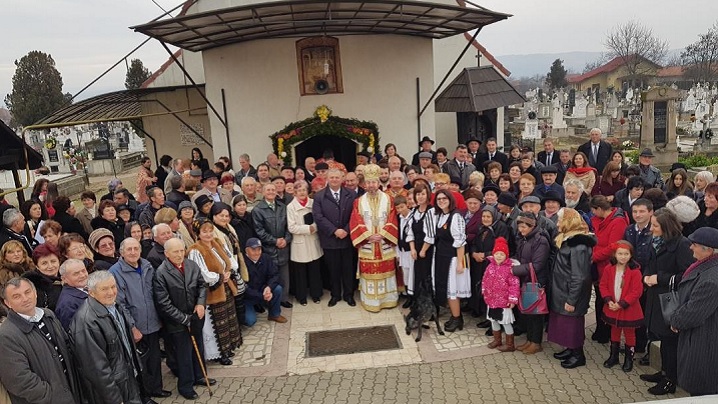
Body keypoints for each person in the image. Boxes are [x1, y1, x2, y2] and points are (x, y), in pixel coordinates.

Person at [0, 277, 83, 404]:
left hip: (71, 391)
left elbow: (67, 347)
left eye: (27, 292)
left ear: (35, 293)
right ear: (8, 303)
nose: (25, 298)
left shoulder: (48, 314)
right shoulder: (6, 335)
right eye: (16, 296)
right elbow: (19, 380)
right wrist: (53, 396)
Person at [640, 208, 694, 395]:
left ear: (666, 226)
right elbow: (649, 264)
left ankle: (671, 380)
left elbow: (686, 276)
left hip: (671, 300)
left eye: (655, 225)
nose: (651, 228)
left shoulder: (682, 245)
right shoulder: (656, 241)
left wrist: (660, 278)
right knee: (662, 339)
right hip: (656, 297)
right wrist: (647, 276)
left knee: (670, 342)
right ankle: (664, 372)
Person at [68, 270, 144, 404]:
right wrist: (115, 399)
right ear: (91, 292)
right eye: (104, 289)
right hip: (114, 389)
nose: (111, 292)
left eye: (113, 286)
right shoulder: (86, 322)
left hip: (127, 379)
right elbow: (96, 369)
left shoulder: (115, 306)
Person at [154, 238, 214, 400]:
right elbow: (163, 303)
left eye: (182, 250)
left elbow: (202, 285)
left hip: (195, 316)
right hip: (177, 323)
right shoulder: (161, 273)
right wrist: (185, 319)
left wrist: (201, 304)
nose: (180, 254)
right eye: (175, 251)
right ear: (167, 254)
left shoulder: (191, 265)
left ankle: (200, 376)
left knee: (198, 347)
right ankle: (186, 386)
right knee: (184, 354)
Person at [109, 237, 169, 399]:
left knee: (155, 359)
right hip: (136, 326)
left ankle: (156, 389)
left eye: (136, 248)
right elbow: (120, 304)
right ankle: (145, 395)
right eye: (129, 249)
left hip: (153, 323)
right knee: (140, 363)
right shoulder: (115, 272)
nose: (133, 252)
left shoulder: (147, 265)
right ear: (121, 253)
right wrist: (132, 327)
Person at [670, 227, 718, 396]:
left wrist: (676, 321)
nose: (690, 247)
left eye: (695, 244)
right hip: (702, 337)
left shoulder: (711, 279)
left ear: (709, 250)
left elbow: (694, 312)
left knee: (702, 391)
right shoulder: (705, 267)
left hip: (705, 342)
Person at [187, 219, 242, 366]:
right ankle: (219, 353)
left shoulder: (217, 242)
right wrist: (219, 277)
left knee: (228, 318)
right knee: (217, 322)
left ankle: (228, 347)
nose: (208, 234)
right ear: (198, 233)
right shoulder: (195, 250)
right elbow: (201, 273)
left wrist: (229, 271)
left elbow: (230, 259)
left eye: (210, 230)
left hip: (225, 287)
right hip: (211, 291)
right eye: (204, 231)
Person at [548, 208, 596, 369]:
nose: (557, 224)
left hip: (570, 292)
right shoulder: (568, 239)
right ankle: (570, 349)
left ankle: (578, 355)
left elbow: (580, 276)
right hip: (562, 289)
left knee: (573, 326)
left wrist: (572, 299)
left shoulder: (579, 245)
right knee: (565, 324)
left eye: (560, 221)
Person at [350, 164, 400, 312]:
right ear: (364, 184)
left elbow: (393, 218)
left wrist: (383, 234)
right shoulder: (358, 201)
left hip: (384, 242)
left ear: (379, 183)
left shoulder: (389, 199)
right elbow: (355, 220)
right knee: (369, 272)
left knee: (387, 271)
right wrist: (368, 236)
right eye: (368, 182)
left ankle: (388, 300)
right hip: (368, 243)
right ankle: (371, 302)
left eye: (374, 182)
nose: (371, 185)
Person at [598, 240, 645, 374]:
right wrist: (608, 300)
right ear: (615, 254)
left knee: (629, 333)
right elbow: (603, 285)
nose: (623, 257)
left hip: (628, 308)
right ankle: (614, 356)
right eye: (620, 254)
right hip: (612, 306)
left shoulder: (635, 271)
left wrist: (621, 304)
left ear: (631, 255)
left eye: (626, 254)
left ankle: (629, 359)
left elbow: (637, 291)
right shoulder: (609, 268)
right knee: (615, 330)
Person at [313, 168, 357, 307]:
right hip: (330, 239)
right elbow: (318, 217)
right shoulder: (319, 196)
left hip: (347, 238)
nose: (334, 180)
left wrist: (346, 230)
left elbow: (356, 215)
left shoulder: (351, 194)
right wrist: (334, 230)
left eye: (337, 177)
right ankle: (335, 295)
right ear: (327, 178)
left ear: (342, 179)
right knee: (333, 269)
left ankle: (349, 295)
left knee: (348, 269)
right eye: (331, 177)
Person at [590, 195, 630, 344]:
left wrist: (594, 256)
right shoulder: (602, 220)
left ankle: (605, 332)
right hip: (599, 266)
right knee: (599, 300)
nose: (593, 214)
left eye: (594, 211)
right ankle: (600, 330)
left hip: (608, 266)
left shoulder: (617, 222)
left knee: (606, 299)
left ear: (599, 209)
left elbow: (613, 247)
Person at [511, 212, 550, 354]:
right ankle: (529, 340)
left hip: (536, 281)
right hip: (526, 279)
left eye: (523, 227)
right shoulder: (524, 238)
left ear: (532, 226)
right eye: (519, 226)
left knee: (536, 314)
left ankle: (536, 342)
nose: (521, 230)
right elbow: (520, 256)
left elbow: (537, 265)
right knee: (528, 312)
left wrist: (513, 270)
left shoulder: (541, 240)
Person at [432, 189, 470, 331]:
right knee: (447, 289)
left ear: (450, 200)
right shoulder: (440, 215)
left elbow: (460, 242)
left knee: (452, 290)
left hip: (453, 258)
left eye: (444, 198)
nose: (441, 201)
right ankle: (456, 316)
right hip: (442, 257)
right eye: (439, 199)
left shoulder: (456, 217)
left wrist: (460, 263)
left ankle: (457, 318)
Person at [252, 182, 292, 308]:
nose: (271, 192)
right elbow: (259, 231)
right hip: (268, 249)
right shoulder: (258, 210)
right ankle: (270, 300)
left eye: (273, 190)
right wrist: (275, 241)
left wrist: (286, 239)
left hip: (283, 247)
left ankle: (284, 299)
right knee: (270, 277)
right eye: (268, 190)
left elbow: (288, 226)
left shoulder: (282, 207)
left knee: (284, 276)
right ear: (263, 193)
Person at [287, 181, 323, 305]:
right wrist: (308, 229)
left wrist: (315, 227)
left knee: (315, 270)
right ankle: (301, 297)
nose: (302, 192)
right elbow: (291, 227)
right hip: (300, 243)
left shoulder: (313, 203)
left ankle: (316, 295)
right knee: (300, 272)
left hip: (313, 241)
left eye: (304, 190)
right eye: (299, 190)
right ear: (295, 193)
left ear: (308, 191)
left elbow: (320, 219)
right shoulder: (291, 207)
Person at [482, 237, 519, 351]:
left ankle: (510, 344)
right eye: (497, 253)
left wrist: (512, 299)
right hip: (492, 300)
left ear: (506, 256)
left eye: (502, 254)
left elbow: (514, 285)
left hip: (504, 301)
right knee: (494, 320)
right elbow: (485, 279)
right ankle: (497, 340)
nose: (499, 256)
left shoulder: (510, 269)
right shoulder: (490, 266)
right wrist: (484, 291)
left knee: (506, 322)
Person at [243, 238, 287, 325]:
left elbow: (275, 274)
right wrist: (262, 295)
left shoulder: (265, 258)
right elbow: (244, 288)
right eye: (253, 250)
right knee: (250, 321)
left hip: (263, 291)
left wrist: (269, 287)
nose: (257, 252)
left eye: (259, 249)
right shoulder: (242, 263)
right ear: (246, 250)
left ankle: (274, 314)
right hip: (248, 297)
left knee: (277, 288)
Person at [23, 244, 63, 311]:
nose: (50, 266)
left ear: (59, 261)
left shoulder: (68, 277)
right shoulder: (34, 286)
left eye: (53, 261)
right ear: (37, 266)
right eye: (44, 263)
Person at [54, 259, 89, 330]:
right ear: (64, 279)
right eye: (76, 273)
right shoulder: (67, 304)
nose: (82, 275)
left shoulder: (87, 288)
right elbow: (73, 332)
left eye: (83, 271)